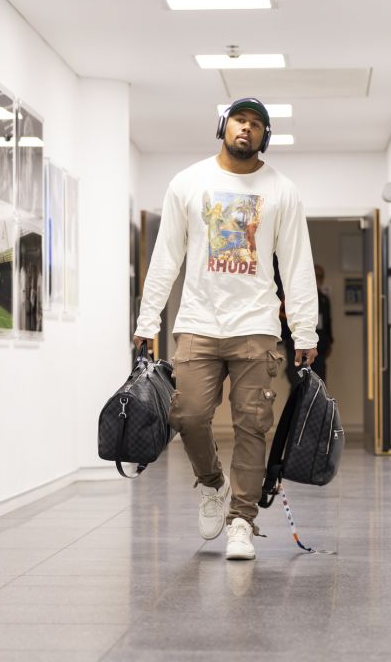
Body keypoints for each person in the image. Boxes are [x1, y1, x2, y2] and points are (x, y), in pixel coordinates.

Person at [133, 98, 319, 561]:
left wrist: (306, 330)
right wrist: (147, 319)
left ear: (265, 136)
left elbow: (297, 266)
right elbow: (166, 257)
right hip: (197, 321)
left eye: (257, 124)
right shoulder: (189, 183)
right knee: (189, 415)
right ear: (223, 126)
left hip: (256, 326)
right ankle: (213, 484)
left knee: (252, 425)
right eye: (240, 120)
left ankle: (242, 520)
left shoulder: (282, 191)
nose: (246, 129)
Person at [313, 264, 335, 381]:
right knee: (300, 386)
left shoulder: (324, 299)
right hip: (301, 349)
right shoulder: (301, 297)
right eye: (316, 275)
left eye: (320, 276)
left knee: (320, 382)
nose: (318, 279)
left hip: (319, 348)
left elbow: (327, 322)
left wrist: (329, 342)